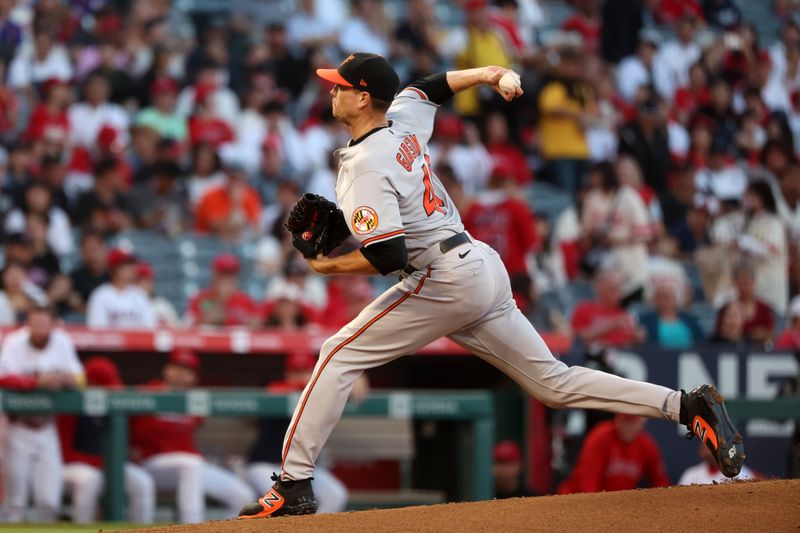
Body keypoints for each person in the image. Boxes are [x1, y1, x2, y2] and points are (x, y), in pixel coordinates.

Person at [238, 54, 744, 519]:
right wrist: (491, 73)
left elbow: (387, 256)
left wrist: (327, 268)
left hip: (442, 278)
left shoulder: (364, 164)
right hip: (478, 265)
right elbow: (429, 87)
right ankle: (685, 404)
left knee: (336, 354)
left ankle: (294, 482)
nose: (331, 92)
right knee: (555, 385)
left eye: (340, 86)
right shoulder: (402, 121)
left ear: (364, 97)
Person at [130, 350, 255, 523]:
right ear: (166, 369)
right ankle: (192, 527)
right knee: (191, 465)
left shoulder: (193, 400)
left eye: (187, 370)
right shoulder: (147, 392)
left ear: (193, 377)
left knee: (243, 496)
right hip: (153, 464)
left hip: (191, 465)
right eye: (177, 368)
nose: (181, 374)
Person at [0, 305, 84, 523]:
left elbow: (80, 377)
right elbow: (3, 377)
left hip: (47, 428)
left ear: (53, 325)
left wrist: (67, 379)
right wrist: (36, 382)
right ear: (27, 324)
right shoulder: (15, 342)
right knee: (15, 502)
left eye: (43, 323)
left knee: (49, 502)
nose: (38, 328)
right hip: (19, 427)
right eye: (34, 323)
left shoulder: (62, 342)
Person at [246, 350, 351, 514]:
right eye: (296, 371)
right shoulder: (277, 388)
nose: (300, 376)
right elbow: (275, 390)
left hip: (301, 470)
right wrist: (309, 384)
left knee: (336, 495)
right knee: (284, 504)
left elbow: (350, 389)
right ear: (287, 373)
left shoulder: (319, 393)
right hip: (267, 466)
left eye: (305, 371)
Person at [58, 357, 155, 524]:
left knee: (142, 482)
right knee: (90, 480)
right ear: (91, 385)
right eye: (105, 387)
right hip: (76, 467)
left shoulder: (117, 407)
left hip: (107, 466)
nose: (111, 392)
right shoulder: (72, 404)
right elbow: (63, 454)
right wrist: (104, 462)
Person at [557, 414, 670, 494]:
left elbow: (660, 482)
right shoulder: (601, 436)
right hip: (576, 498)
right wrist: (593, 511)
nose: (628, 427)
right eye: (624, 421)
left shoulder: (646, 445)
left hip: (615, 505)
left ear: (640, 424)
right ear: (617, 420)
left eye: (632, 422)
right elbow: (588, 481)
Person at [570, 269, 644, 348]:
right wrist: (612, 325)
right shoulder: (584, 309)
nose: (619, 294)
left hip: (624, 355)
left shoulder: (625, 312)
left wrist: (638, 336)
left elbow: (631, 340)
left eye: (619, 290)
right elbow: (577, 337)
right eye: (613, 289)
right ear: (599, 287)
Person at [86, 248, 156, 329]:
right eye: (127, 264)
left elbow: (149, 328)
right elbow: (96, 330)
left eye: (132, 263)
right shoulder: (100, 295)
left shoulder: (140, 294)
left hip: (136, 341)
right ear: (114, 269)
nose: (132, 268)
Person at [185, 253, 260, 328]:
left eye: (232, 275)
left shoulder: (245, 300)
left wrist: (252, 323)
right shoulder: (201, 299)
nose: (228, 280)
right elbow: (187, 327)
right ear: (214, 277)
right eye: (224, 276)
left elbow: (258, 323)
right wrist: (204, 321)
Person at [715, 261, 775, 344]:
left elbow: (771, 334)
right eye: (741, 282)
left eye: (747, 282)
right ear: (735, 283)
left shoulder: (764, 309)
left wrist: (758, 335)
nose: (745, 287)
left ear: (754, 282)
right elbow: (719, 334)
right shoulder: (726, 309)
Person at [638, 281, 703, 349]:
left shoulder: (690, 320)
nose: (664, 301)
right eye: (660, 297)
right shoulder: (645, 321)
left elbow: (701, 342)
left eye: (667, 297)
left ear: (675, 299)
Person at [678, 442, 757, 485]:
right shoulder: (690, 474)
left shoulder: (740, 473)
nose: (705, 446)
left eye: (710, 443)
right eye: (704, 443)